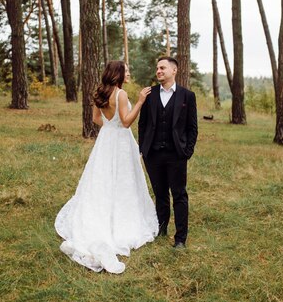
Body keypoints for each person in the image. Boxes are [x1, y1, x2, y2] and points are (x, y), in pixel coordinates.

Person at [55, 61, 158, 274]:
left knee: (102, 180)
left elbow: (95, 119)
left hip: (106, 140)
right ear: (119, 74)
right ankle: (118, 223)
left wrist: (111, 127)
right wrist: (139, 101)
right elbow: (127, 121)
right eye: (127, 70)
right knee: (122, 182)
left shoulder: (101, 92)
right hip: (120, 141)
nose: (129, 73)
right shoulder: (120, 94)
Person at [138, 57, 198, 250]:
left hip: (176, 154)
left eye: (162, 68)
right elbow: (143, 123)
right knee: (160, 193)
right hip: (153, 154)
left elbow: (192, 127)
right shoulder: (150, 94)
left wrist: (186, 152)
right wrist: (143, 149)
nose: (158, 71)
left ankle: (180, 238)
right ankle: (161, 229)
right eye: (157, 68)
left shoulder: (187, 96)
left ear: (174, 71)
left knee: (179, 194)